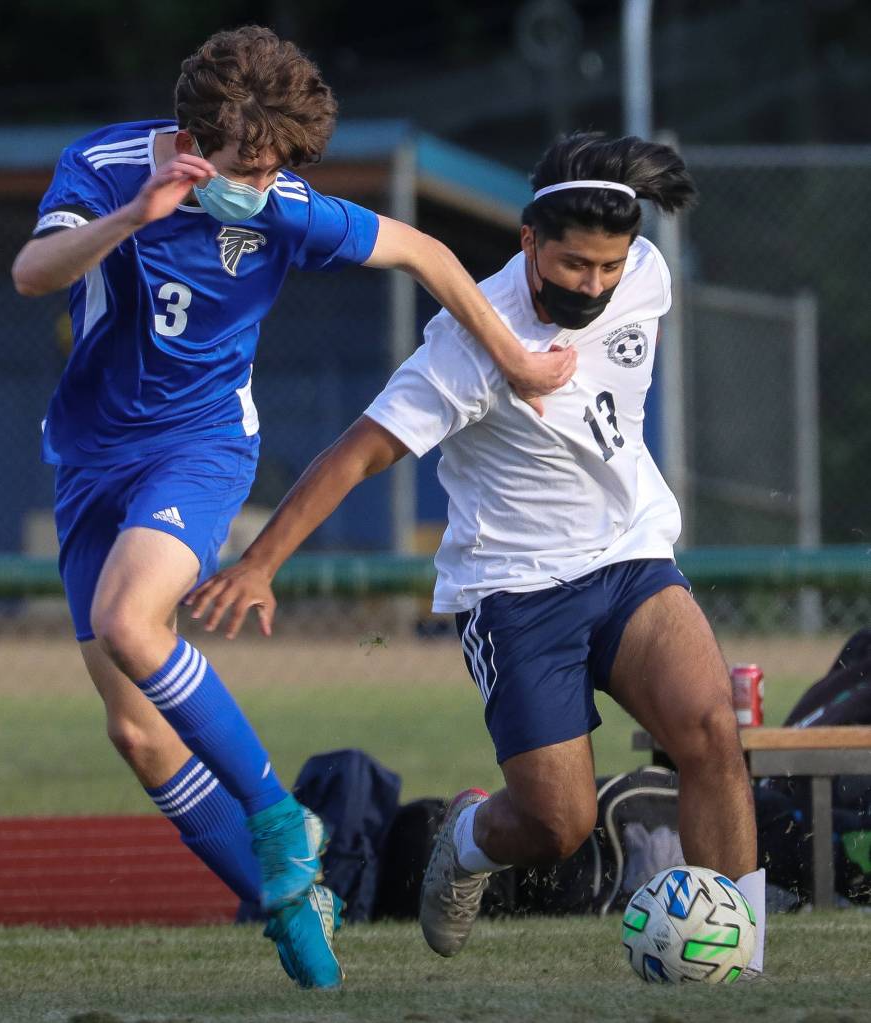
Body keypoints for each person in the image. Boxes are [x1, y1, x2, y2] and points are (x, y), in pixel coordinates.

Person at [10, 25, 575, 990]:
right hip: (88, 461)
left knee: (128, 619)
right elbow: (34, 274)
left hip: (198, 447)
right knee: (135, 731)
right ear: (195, 137)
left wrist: (516, 360)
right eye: (247, 166)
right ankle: (293, 898)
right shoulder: (104, 167)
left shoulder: (285, 207)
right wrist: (136, 217)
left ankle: (278, 816)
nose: (262, 185)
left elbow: (428, 255)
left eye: (277, 168)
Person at [188, 131, 767, 977]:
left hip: (630, 555)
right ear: (528, 241)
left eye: (607, 267)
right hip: (515, 591)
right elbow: (356, 452)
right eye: (574, 265)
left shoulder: (645, 272)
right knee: (556, 825)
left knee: (710, 727)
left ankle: (737, 959)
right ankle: (463, 842)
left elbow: (617, 272)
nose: (595, 285)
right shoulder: (465, 347)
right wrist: (258, 562)